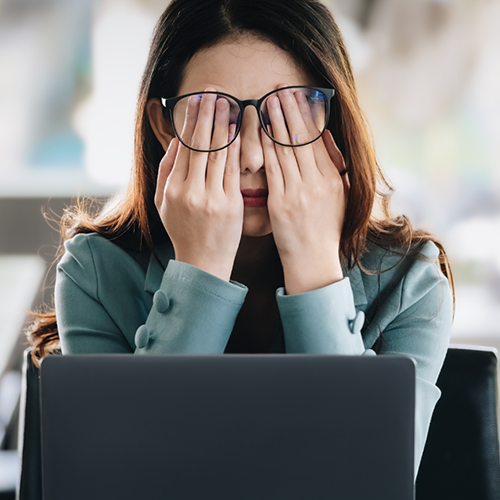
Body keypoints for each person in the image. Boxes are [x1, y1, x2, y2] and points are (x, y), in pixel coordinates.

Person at [28, 0, 454, 476]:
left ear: (329, 122)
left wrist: (314, 263)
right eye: (217, 116)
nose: (252, 155)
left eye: (286, 114)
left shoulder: (411, 283)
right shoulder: (96, 273)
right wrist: (199, 267)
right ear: (166, 126)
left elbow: (363, 478)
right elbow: (127, 476)